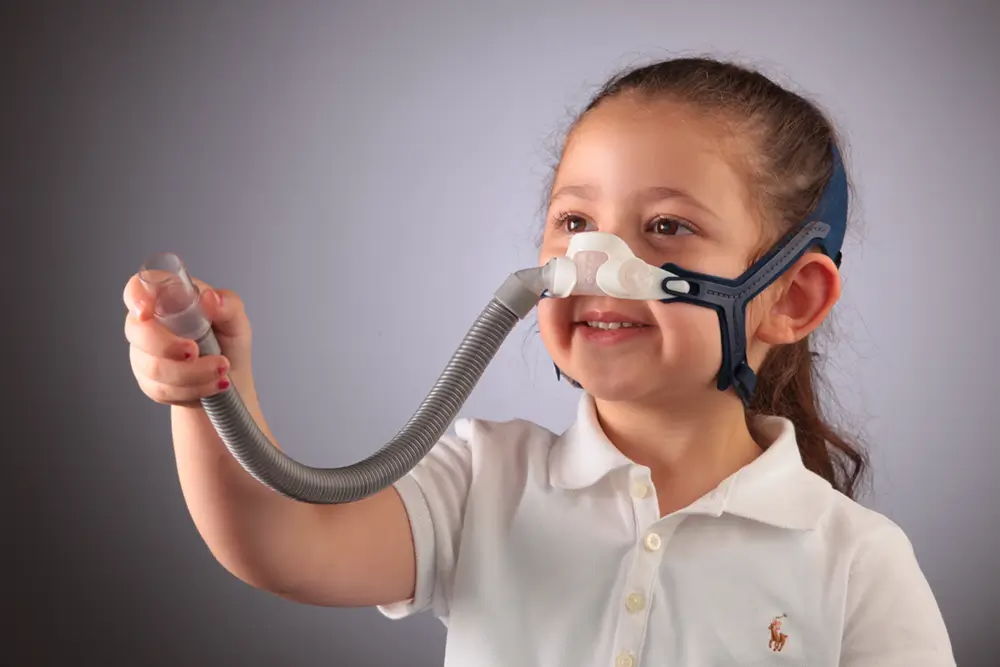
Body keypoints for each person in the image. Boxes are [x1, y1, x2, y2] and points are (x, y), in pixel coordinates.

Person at [123, 57, 955, 666]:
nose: (595, 259)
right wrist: (207, 395)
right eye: (573, 221)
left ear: (792, 298)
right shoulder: (483, 483)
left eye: (665, 226)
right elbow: (282, 539)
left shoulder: (855, 562)